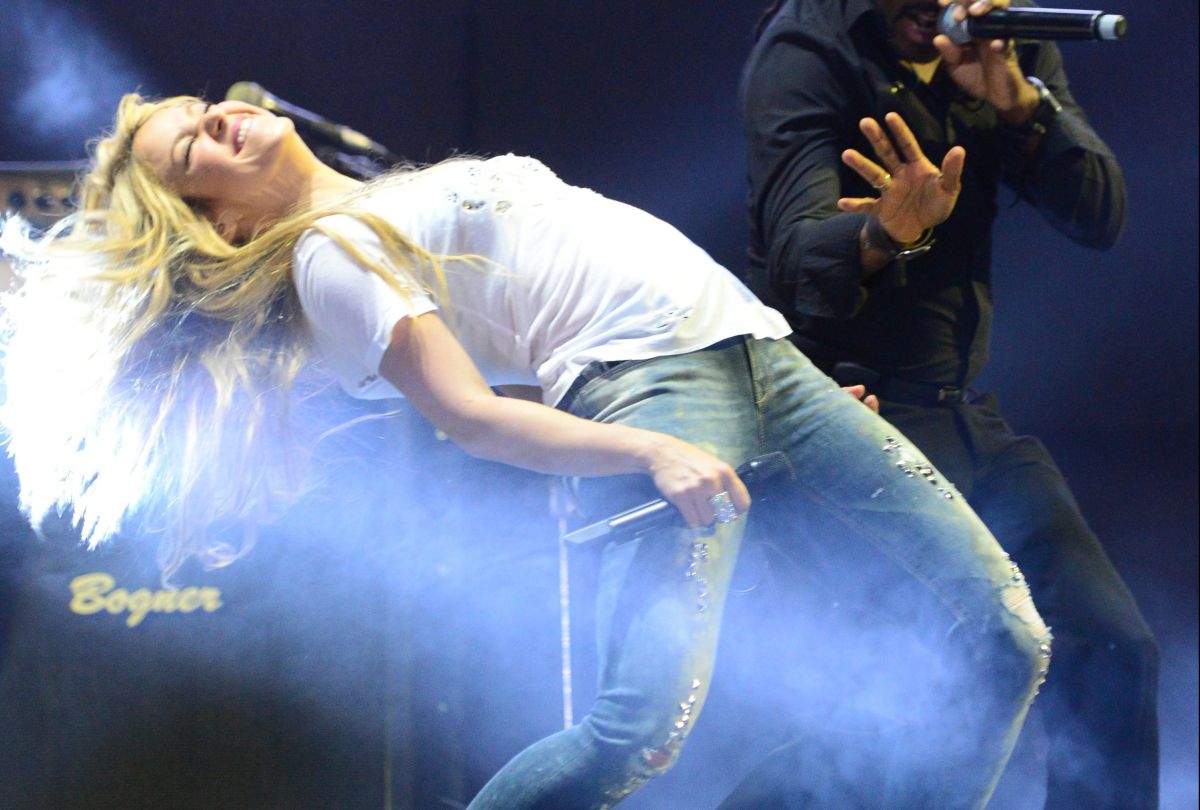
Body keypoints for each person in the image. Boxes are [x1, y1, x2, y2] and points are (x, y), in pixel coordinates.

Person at [0, 90, 1051, 809]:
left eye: (201, 111)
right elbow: (463, 413)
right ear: (215, 221)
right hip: (658, 391)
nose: (221, 119)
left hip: (757, 358)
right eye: (196, 149)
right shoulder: (330, 255)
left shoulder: (379, 204)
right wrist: (643, 449)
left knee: (1009, 638)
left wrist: (761, 412)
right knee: (631, 735)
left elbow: (513, 359)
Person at [740, 0, 1159, 806]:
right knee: (917, 689)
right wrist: (881, 236)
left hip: (958, 410)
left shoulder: (1010, 41)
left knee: (1111, 645)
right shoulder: (807, 47)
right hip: (838, 413)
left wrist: (1023, 108)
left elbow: (1099, 216)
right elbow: (793, 263)